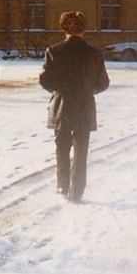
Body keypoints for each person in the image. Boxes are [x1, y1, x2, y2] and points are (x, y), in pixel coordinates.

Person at [39, 11, 110, 204]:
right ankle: (77, 193)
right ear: (83, 29)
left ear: (64, 28)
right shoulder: (94, 53)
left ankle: (62, 186)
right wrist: (87, 91)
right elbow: (103, 83)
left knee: (62, 149)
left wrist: (58, 92)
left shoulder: (54, 51)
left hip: (61, 107)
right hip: (84, 107)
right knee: (81, 152)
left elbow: (44, 80)